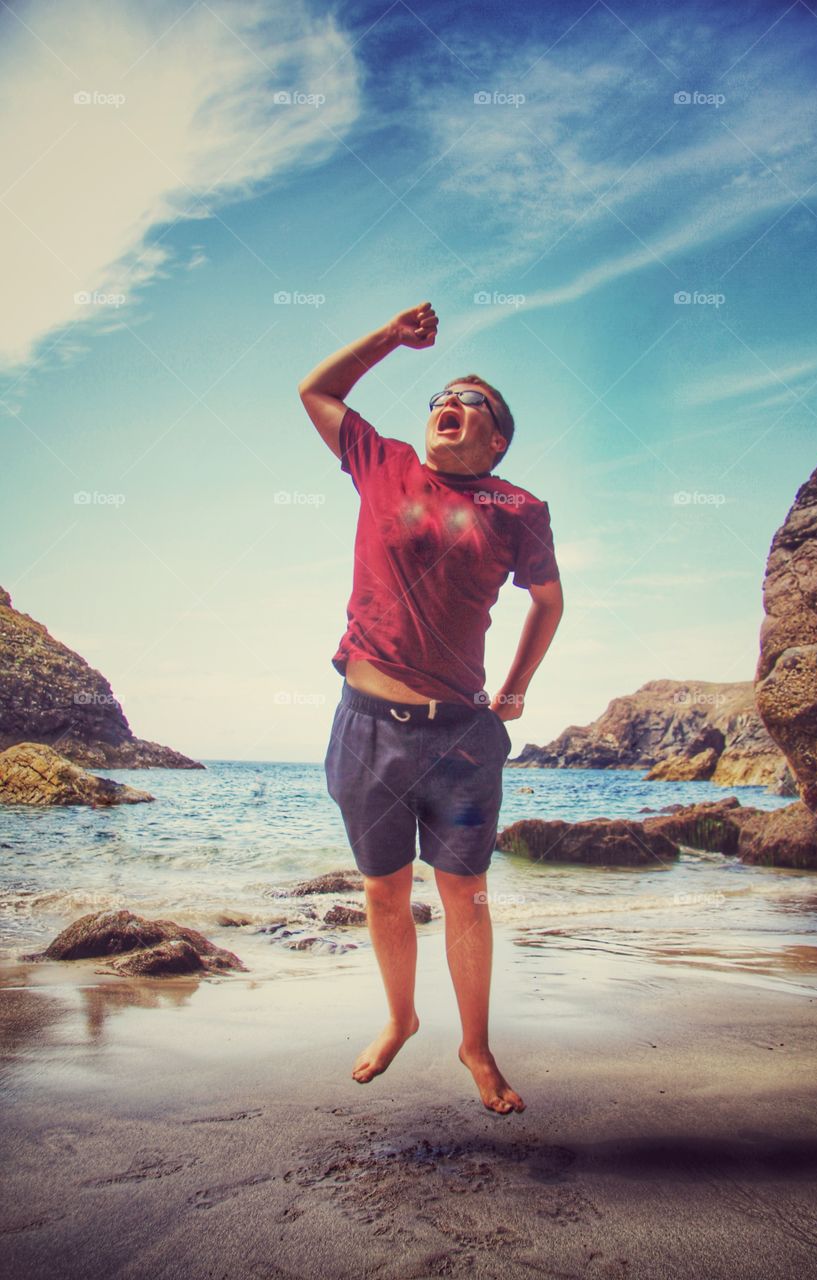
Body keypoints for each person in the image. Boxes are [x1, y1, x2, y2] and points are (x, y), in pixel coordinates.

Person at [298, 301, 563, 1114]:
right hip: (366, 727)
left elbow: (547, 602)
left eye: (471, 402)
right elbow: (314, 390)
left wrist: (515, 688)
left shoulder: (518, 508)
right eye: (443, 396)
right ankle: (401, 1017)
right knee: (382, 891)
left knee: (465, 894)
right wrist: (387, 336)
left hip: (460, 737)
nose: (450, 403)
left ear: (495, 438)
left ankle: (476, 1048)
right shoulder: (381, 462)